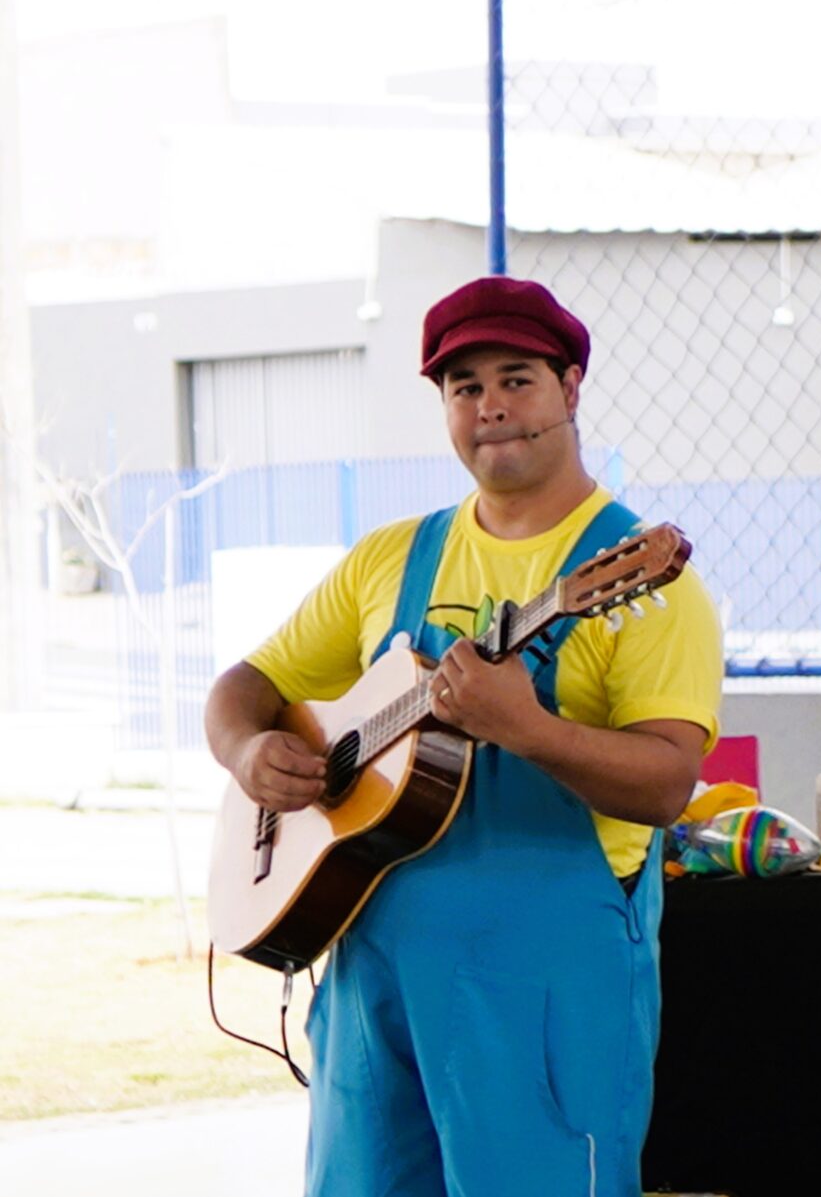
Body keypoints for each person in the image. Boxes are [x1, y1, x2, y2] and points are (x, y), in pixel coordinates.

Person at [204, 276, 725, 1197]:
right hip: (373, 977)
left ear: (570, 387)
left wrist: (530, 730)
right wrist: (249, 751)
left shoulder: (642, 579)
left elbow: (666, 785)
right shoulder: (390, 558)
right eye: (464, 386)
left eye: (516, 379)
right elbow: (243, 687)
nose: (491, 407)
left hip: (542, 980)